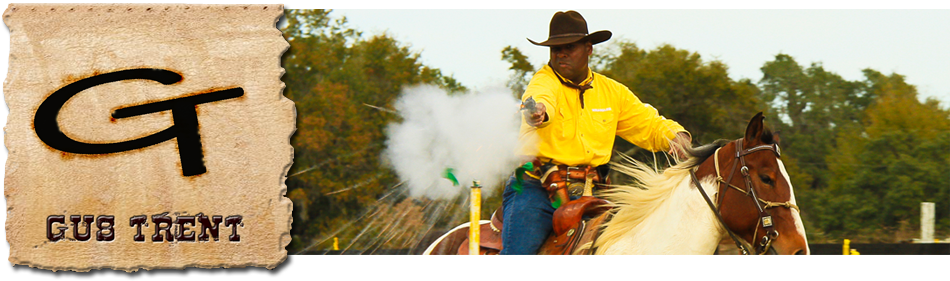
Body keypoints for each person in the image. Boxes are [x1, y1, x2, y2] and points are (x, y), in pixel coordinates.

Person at [500, 10, 692, 255]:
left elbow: (649, 123)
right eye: (555, 48)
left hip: (596, 192)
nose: (561, 53)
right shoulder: (543, 82)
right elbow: (540, 100)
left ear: (588, 48)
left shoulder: (612, 91)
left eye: (569, 46)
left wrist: (676, 137)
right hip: (537, 189)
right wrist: (538, 112)